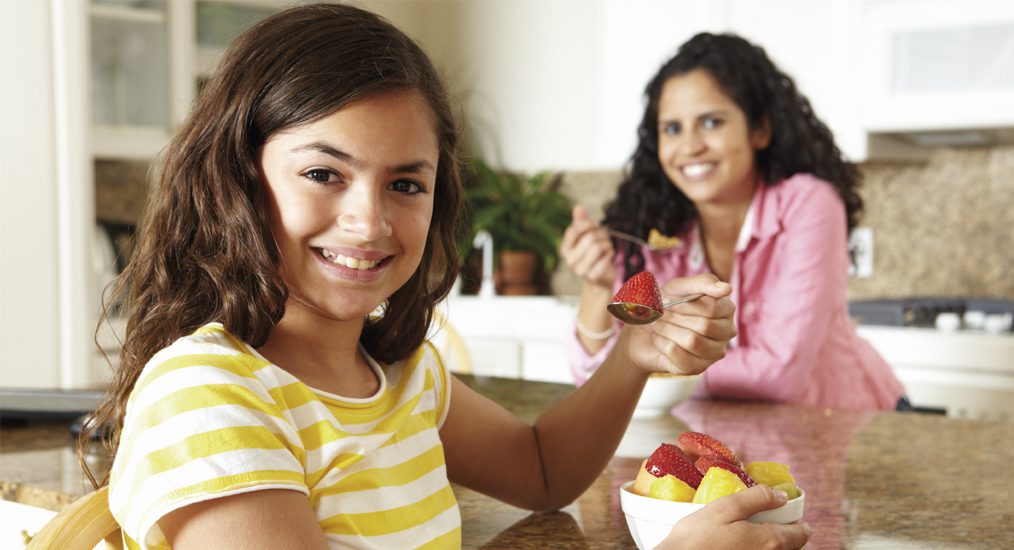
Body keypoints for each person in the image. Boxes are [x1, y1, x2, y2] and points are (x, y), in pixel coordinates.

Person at [78, 5, 810, 550]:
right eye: (323, 173)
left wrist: (634, 356)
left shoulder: (397, 377)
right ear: (238, 179)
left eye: (405, 184)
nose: (368, 221)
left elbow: (545, 470)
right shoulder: (209, 399)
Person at [561, 32, 905, 411]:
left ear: (760, 129)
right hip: (738, 436)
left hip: (853, 426)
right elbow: (594, 379)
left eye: (711, 122)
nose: (690, 146)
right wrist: (595, 287)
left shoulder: (809, 204)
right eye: (672, 128)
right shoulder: (656, 228)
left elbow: (777, 374)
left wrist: (652, 368)